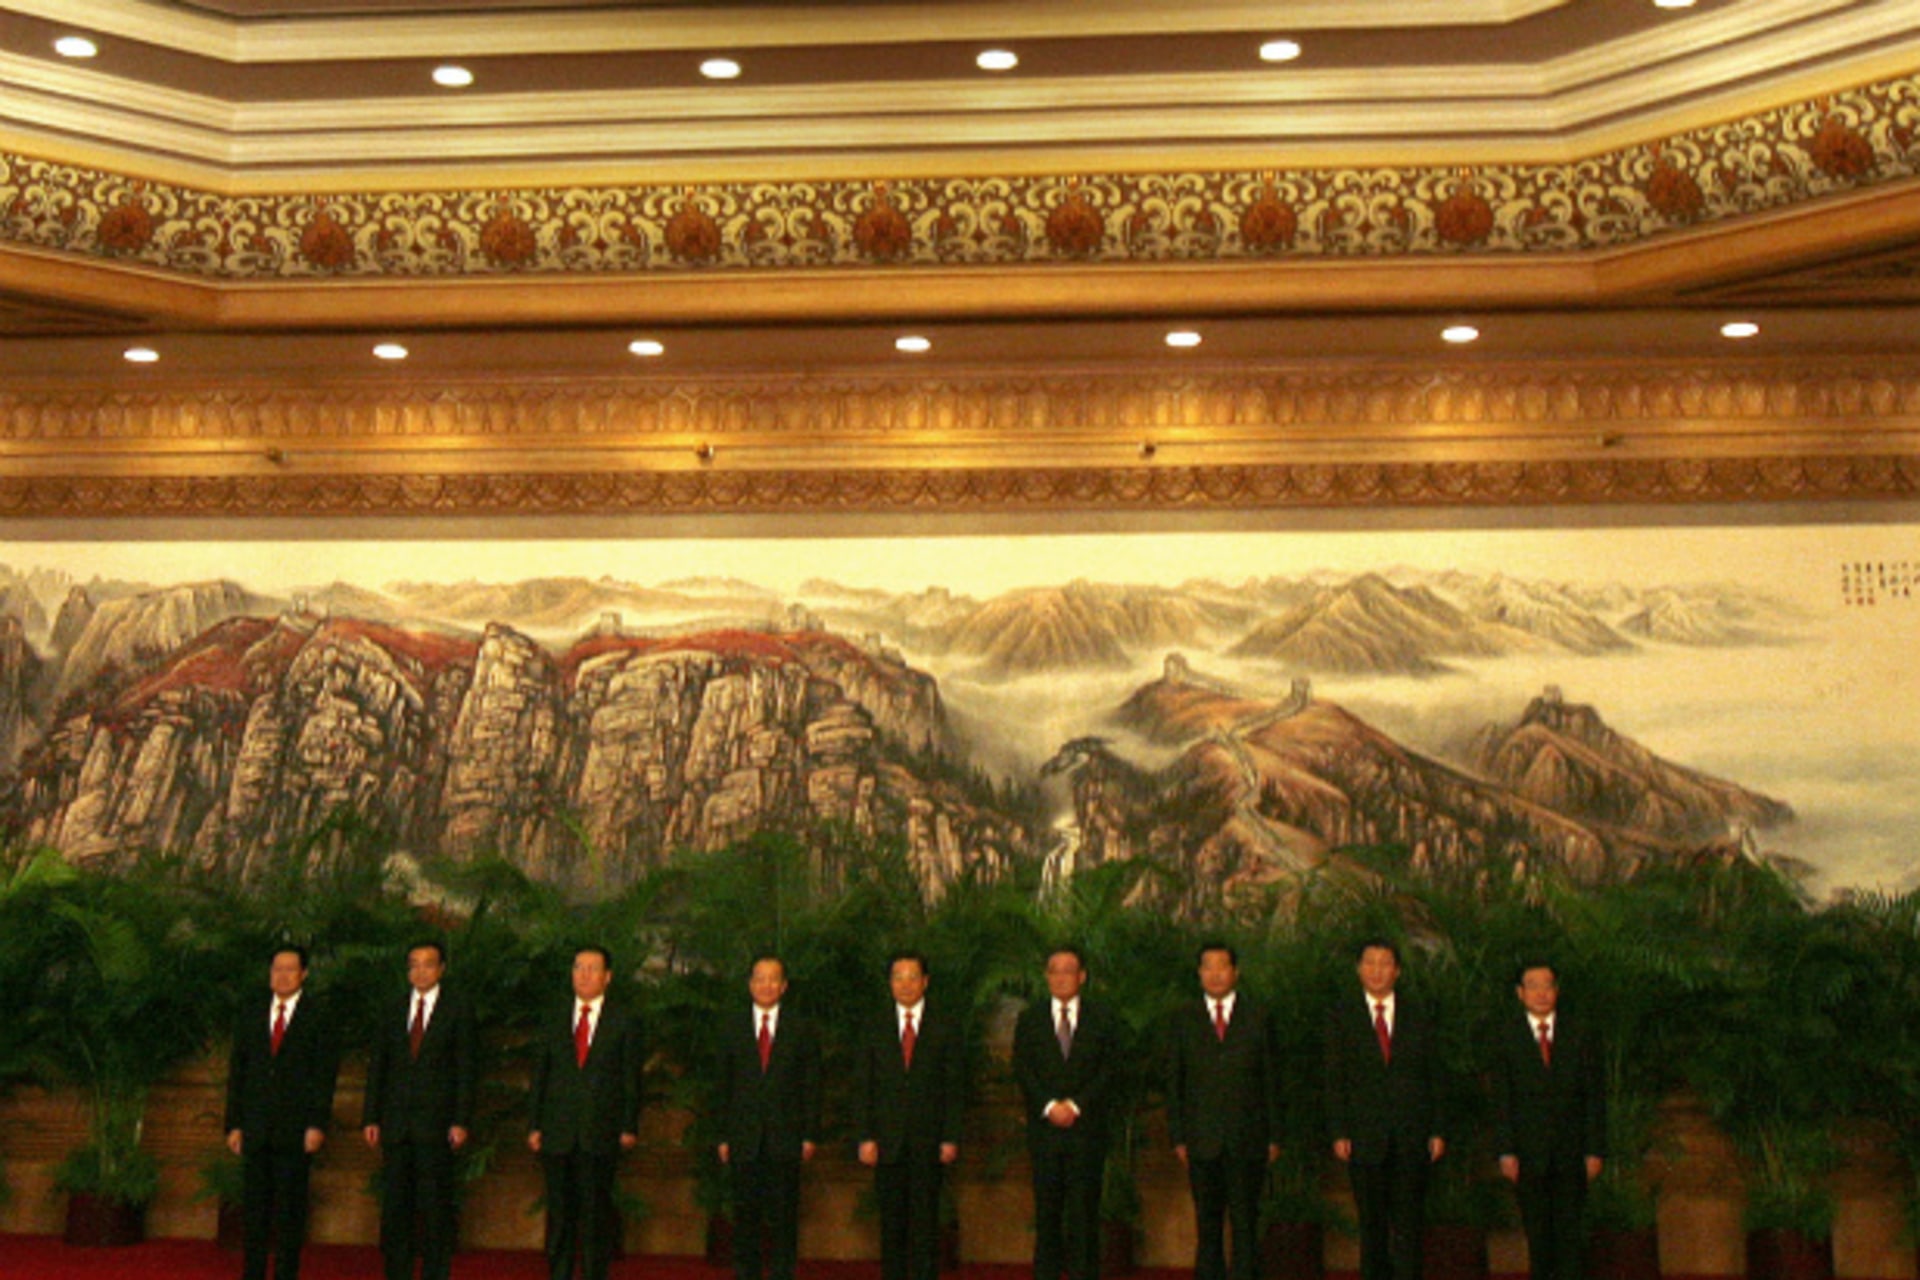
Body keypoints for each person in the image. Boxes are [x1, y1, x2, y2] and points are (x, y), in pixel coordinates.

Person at [1324, 939, 1446, 1280]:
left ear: (1397, 971)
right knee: (1372, 1228)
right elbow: (1335, 1077)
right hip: (1363, 1137)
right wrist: (1339, 1130)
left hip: (1412, 1136)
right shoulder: (1341, 1015)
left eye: (1385, 963)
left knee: (1409, 1227)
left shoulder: (1418, 1013)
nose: (1377, 970)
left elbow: (1434, 1076)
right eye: (1370, 963)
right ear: (1359, 969)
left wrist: (1437, 1129)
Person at [362, 939, 478, 1280]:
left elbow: (466, 1069)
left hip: (438, 1125)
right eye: (414, 964)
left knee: (435, 1207)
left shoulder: (458, 1009)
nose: (420, 970)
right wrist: (371, 1115)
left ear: (441, 969)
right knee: (396, 1207)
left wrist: (461, 1119)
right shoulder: (392, 1007)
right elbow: (378, 1066)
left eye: (428, 964)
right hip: (396, 1124)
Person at [1164, 942, 1281, 1280]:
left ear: (1235, 972)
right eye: (1208, 967)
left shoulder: (1258, 1015)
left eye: (1222, 966)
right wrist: (1178, 1136)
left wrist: (1274, 1134)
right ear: (1199, 973)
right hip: (1201, 1140)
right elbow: (1175, 1080)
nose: (1215, 974)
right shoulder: (1183, 1018)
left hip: (1249, 1137)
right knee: (1208, 1226)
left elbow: (1272, 1079)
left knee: (1246, 1225)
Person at [224, 944, 341, 1280]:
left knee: (290, 1213)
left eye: (290, 969)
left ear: (304, 974)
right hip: (255, 1128)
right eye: (277, 969)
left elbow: (324, 1076)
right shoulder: (252, 1012)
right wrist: (234, 1124)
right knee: (255, 1212)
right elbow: (238, 1073)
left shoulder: (318, 1016)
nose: (283, 975)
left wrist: (316, 1124)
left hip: (297, 1130)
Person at [527, 945, 644, 1280]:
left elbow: (630, 1078)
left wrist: (628, 1125)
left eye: (593, 969)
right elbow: (540, 1075)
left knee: (595, 1214)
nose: (584, 974)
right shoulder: (554, 1016)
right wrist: (534, 1124)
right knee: (560, 1215)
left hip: (601, 1131)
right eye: (579, 967)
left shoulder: (624, 1020)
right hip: (557, 1131)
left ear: (607, 977)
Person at [1491, 963, 1607, 1280]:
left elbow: (1594, 1096)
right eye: (1533, 985)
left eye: (1548, 985)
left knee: (1571, 1240)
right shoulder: (1505, 1036)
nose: (1542, 993)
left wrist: (1595, 1149)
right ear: (1520, 993)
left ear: (1556, 990)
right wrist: (1506, 1151)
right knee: (1538, 1239)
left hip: (1572, 1154)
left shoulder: (1580, 1032)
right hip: (1528, 1155)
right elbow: (1502, 1100)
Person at [856, 950, 965, 1280]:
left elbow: (955, 1086)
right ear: (890, 983)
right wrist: (865, 1136)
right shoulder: (873, 1026)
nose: (905, 984)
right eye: (898, 977)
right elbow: (863, 1086)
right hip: (886, 1142)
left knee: (925, 1225)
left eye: (912, 977)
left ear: (925, 982)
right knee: (891, 1226)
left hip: (929, 1141)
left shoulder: (945, 1025)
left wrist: (950, 1136)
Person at [1013, 946, 1120, 1280]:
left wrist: (1076, 1106)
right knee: (1047, 1216)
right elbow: (1022, 1068)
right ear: (1046, 977)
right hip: (1044, 1132)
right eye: (1054, 970)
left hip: (1087, 1132)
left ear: (1082, 976)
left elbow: (1110, 1069)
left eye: (1068, 970)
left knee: (1084, 1215)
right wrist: (1049, 1106)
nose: (1060, 977)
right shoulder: (1030, 1019)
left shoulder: (1102, 1017)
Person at [717, 954, 823, 1280]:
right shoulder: (731, 1027)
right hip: (743, 1138)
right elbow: (723, 1086)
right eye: (759, 978)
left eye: (773, 978)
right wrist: (722, 1136)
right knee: (745, 1217)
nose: (766, 985)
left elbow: (812, 1085)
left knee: (784, 1218)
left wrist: (809, 1134)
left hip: (786, 1138)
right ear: (750, 984)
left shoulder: (801, 1028)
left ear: (784, 986)